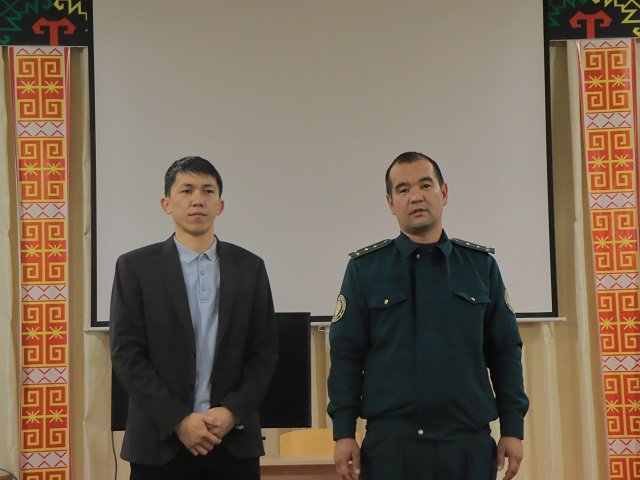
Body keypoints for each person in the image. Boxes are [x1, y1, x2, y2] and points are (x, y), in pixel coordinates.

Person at [327, 152, 529, 480]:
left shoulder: (480, 267)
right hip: (392, 447)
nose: (416, 197)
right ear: (391, 203)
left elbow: (505, 351)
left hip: (467, 445)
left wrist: (513, 428)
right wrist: (344, 432)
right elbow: (346, 355)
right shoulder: (365, 270)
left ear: (444, 193)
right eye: (403, 189)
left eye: (425, 185)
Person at [110, 156, 278, 480]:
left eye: (207, 191)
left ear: (220, 205)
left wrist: (232, 412)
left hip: (231, 443)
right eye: (186, 190)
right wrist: (178, 419)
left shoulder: (250, 267)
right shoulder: (135, 268)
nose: (197, 200)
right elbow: (126, 353)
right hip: (159, 445)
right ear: (166, 203)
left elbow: (264, 352)